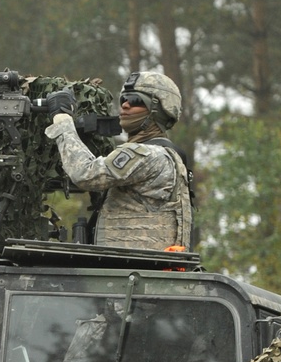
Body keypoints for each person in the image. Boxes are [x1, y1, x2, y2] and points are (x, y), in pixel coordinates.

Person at [45, 71, 192, 252]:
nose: (126, 105)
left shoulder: (148, 155)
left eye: (136, 100)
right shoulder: (166, 155)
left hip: (133, 272)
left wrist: (62, 120)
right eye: (123, 99)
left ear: (158, 111)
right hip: (135, 270)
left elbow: (86, 174)